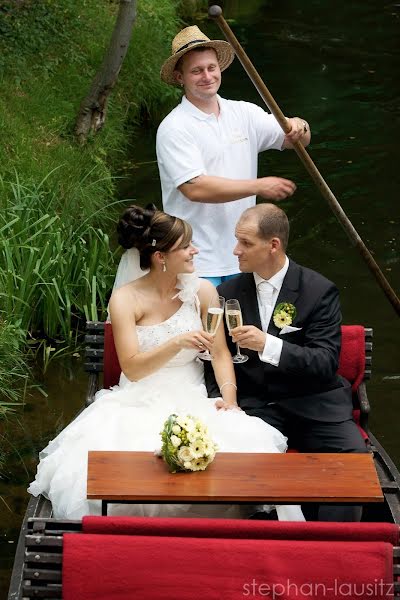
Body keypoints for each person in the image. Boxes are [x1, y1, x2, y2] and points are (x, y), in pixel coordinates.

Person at [28, 204, 304, 521]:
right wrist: (177, 343)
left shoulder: (202, 292)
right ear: (161, 257)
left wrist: (229, 400)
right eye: (185, 246)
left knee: (243, 457)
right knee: (127, 472)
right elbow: (132, 367)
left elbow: (219, 353)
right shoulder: (125, 299)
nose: (194, 251)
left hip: (193, 396)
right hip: (138, 399)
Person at [209, 203, 368, 521]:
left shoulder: (319, 291)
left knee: (352, 459)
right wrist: (222, 399)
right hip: (258, 407)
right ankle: (261, 546)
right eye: (236, 240)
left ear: (273, 245)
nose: (235, 250)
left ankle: (333, 551)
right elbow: (216, 356)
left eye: (246, 243)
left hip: (316, 404)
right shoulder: (227, 293)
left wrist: (268, 344)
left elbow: (324, 363)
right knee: (231, 460)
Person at [156, 25, 311, 285]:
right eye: (196, 71)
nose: (207, 76)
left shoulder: (243, 113)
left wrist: (298, 125)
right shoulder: (174, 127)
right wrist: (259, 186)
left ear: (220, 68)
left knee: (244, 326)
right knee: (208, 326)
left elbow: (296, 140)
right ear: (180, 77)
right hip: (196, 260)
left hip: (244, 257)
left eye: (211, 68)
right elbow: (195, 188)